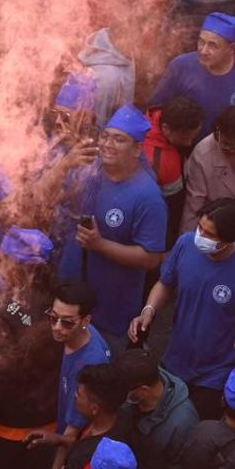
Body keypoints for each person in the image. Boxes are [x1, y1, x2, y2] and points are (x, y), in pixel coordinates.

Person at [133, 198, 235, 418]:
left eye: (209, 234)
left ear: (229, 239)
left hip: (215, 374)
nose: (201, 236)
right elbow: (165, 283)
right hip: (174, 360)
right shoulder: (185, 244)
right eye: (200, 228)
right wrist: (148, 311)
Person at [56, 104, 167, 341]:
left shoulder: (148, 197)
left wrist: (100, 245)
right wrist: (63, 165)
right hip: (69, 298)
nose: (107, 144)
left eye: (119, 139)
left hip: (109, 310)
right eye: (105, 136)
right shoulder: (89, 169)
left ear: (137, 149)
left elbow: (151, 258)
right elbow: (53, 198)